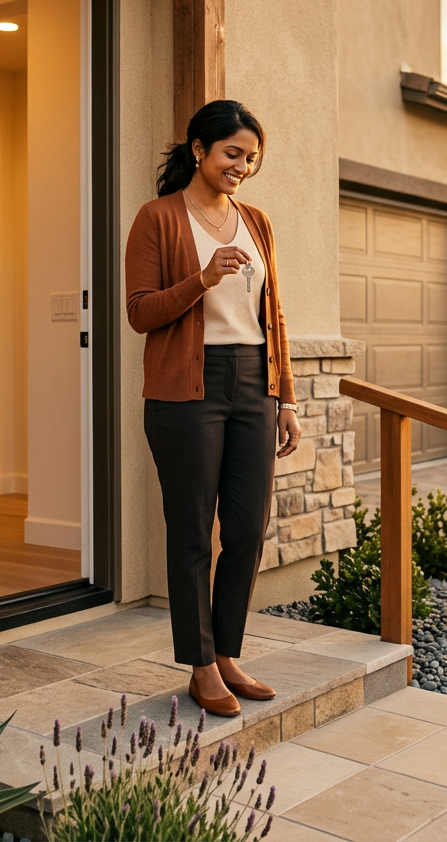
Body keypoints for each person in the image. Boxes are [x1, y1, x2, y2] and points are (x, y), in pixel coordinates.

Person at [125, 100, 301, 718]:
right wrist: (203, 277)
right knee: (194, 531)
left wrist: (285, 397)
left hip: (253, 383)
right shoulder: (157, 218)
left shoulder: (257, 221)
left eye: (251, 159)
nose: (243, 167)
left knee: (248, 529)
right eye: (233, 154)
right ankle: (200, 665)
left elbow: (272, 313)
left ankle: (228, 652)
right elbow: (140, 312)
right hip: (185, 391)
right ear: (199, 149)